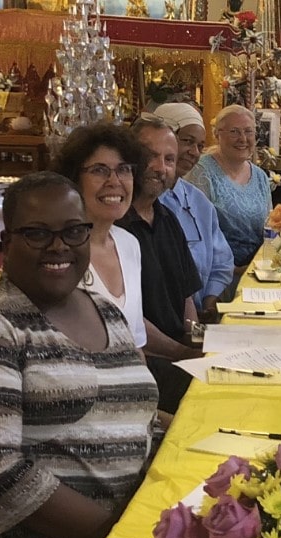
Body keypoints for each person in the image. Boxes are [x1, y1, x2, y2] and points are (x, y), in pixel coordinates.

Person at [0, 172, 158, 538]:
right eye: (37, 233)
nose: (58, 246)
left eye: (73, 231)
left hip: (115, 534)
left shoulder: (101, 308)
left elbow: (134, 409)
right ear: (6, 242)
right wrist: (119, 535)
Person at [117, 116, 202, 414]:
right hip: (143, 359)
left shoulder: (167, 218)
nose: (159, 167)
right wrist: (186, 353)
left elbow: (186, 296)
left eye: (169, 159)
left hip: (177, 349)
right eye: (150, 155)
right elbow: (129, 321)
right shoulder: (115, 227)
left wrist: (198, 339)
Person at [51, 122, 147, 349]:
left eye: (124, 169)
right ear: (74, 180)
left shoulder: (129, 244)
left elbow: (135, 346)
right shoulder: (59, 251)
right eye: (99, 170)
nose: (114, 182)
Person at [153, 102, 235, 318]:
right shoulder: (141, 203)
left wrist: (209, 304)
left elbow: (221, 260)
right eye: (187, 141)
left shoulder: (199, 203)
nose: (194, 152)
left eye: (200, 146)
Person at [185, 104, 272, 270]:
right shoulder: (202, 172)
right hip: (217, 274)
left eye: (248, 132)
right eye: (234, 132)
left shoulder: (260, 176)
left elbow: (270, 227)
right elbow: (195, 235)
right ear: (217, 134)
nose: (243, 139)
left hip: (257, 271)